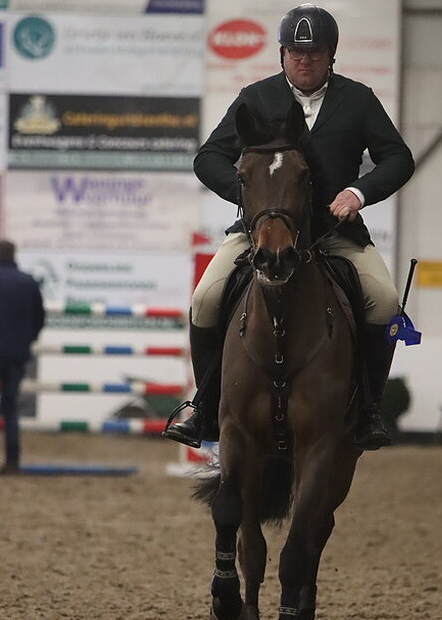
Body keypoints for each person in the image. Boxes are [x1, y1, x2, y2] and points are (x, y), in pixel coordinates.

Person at [165, 4, 414, 451]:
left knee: (383, 301)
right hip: (262, 233)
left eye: (314, 53)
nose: (304, 61)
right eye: (295, 52)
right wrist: (251, 199)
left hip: (333, 234)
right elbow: (209, 157)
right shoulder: (256, 98)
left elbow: (398, 157)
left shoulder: (358, 100)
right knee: (205, 298)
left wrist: (357, 193)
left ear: (331, 55)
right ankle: (204, 406)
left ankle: (369, 409)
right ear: (281, 54)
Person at [0, 240, 45, 474]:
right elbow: (39, 319)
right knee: (10, 409)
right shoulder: (28, 282)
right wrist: (27, 340)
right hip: (16, 355)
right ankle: (12, 461)